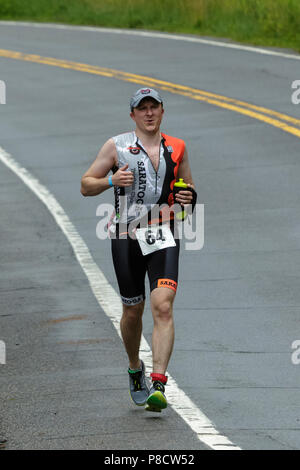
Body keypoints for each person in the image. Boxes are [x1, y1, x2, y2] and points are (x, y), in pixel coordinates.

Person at [80, 88, 196, 412]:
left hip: (162, 233)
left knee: (163, 306)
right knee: (133, 311)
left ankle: (158, 383)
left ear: (162, 112)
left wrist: (188, 199)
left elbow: (188, 191)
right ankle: (135, 367)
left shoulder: (178, 147)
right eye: (142, 108)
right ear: (133, 115)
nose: (148, 113)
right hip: (125, 236)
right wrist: (111, 181)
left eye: (153, 107)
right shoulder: (116, 146)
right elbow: (85, 183)